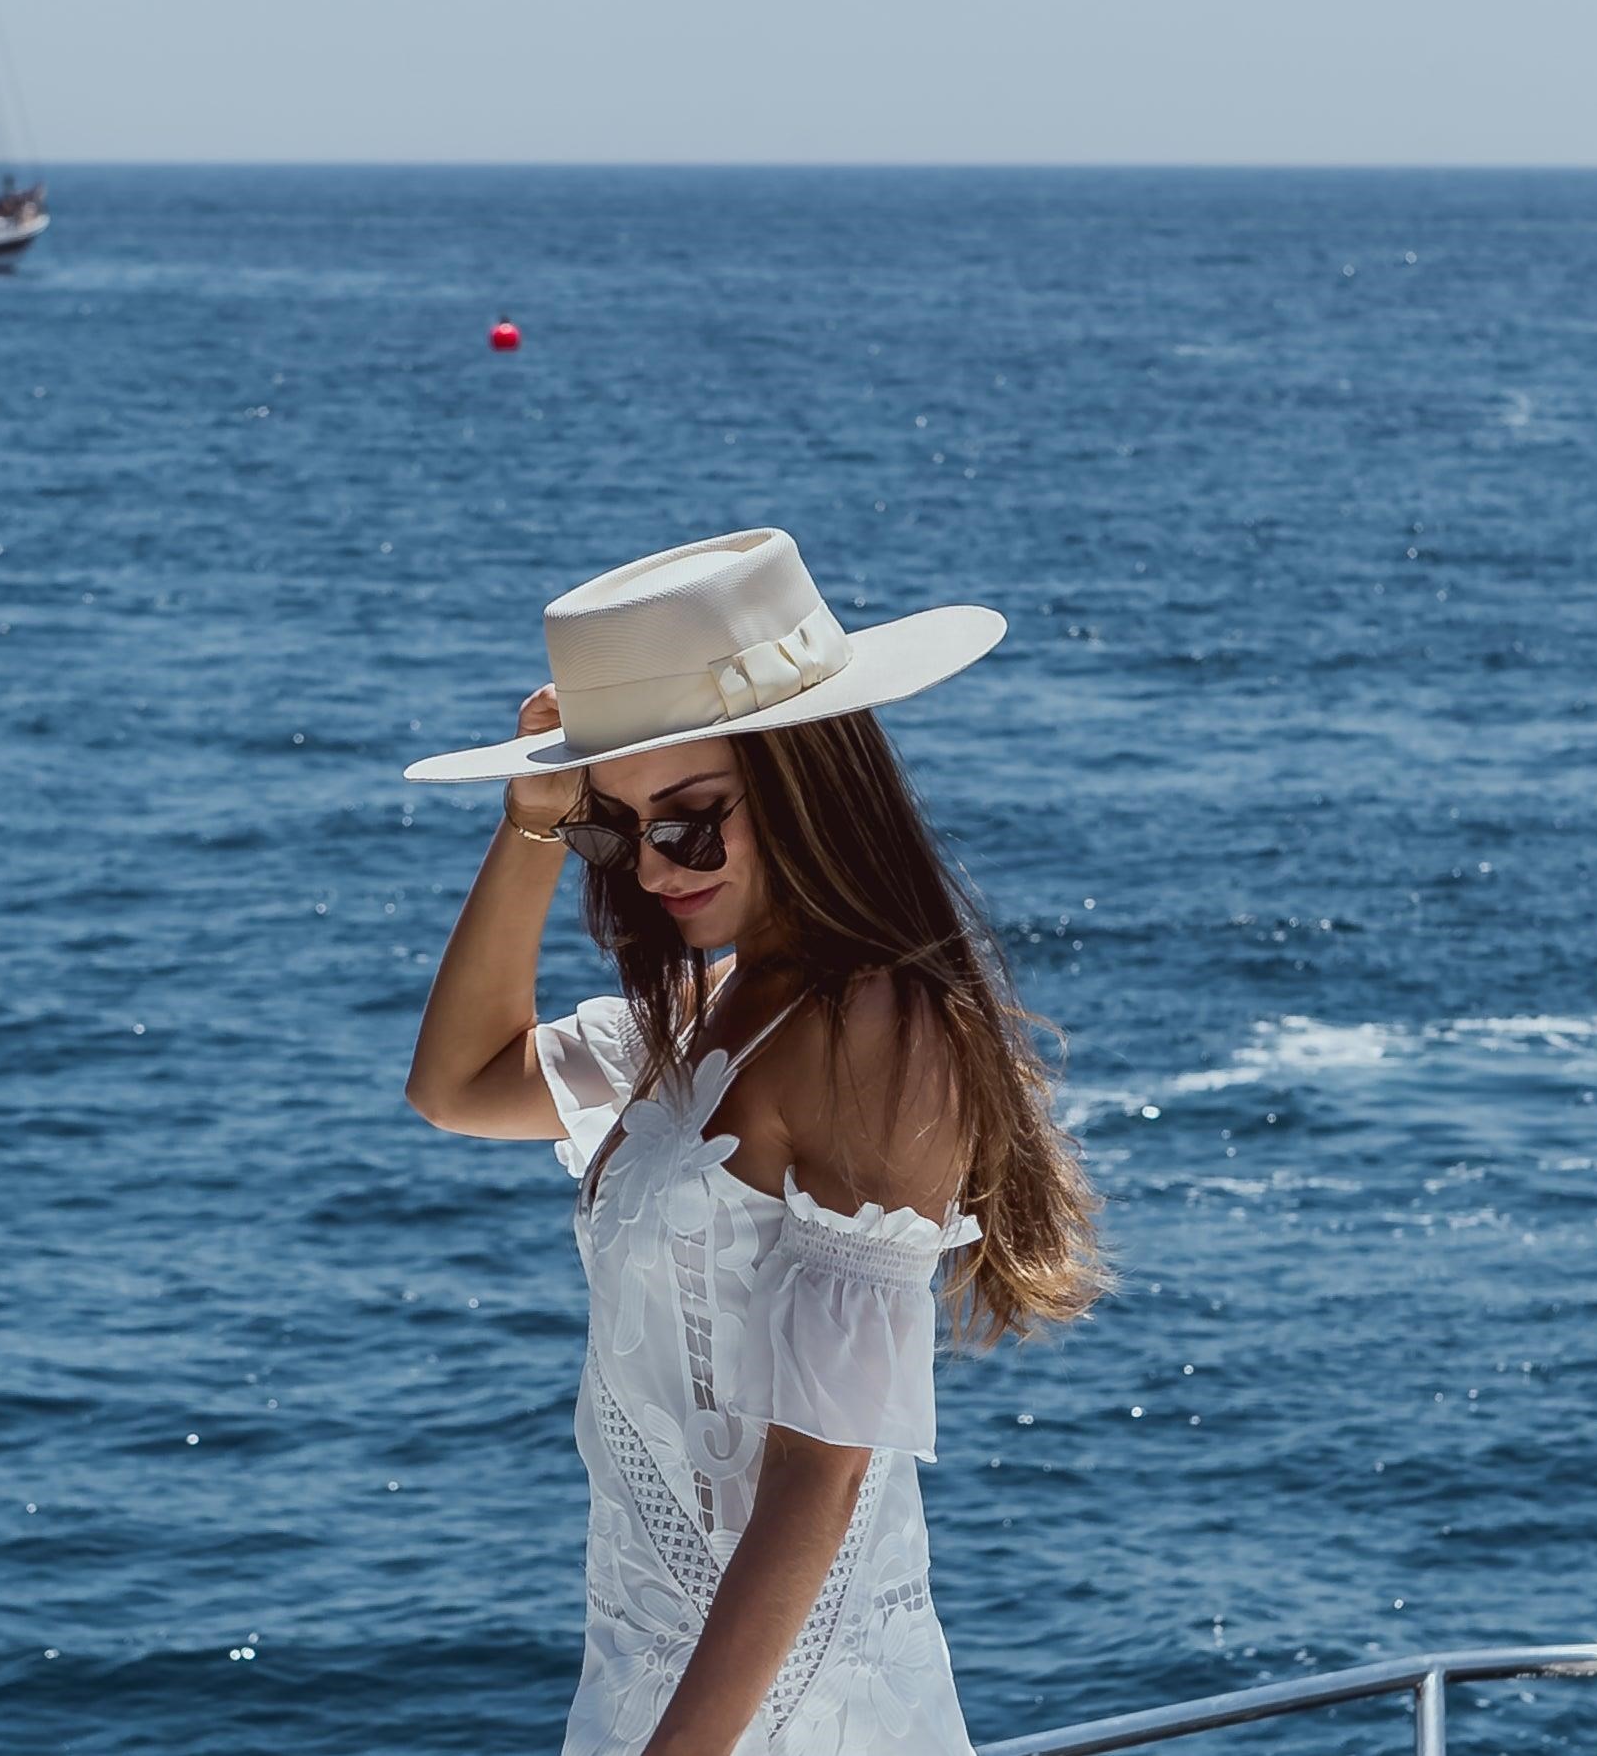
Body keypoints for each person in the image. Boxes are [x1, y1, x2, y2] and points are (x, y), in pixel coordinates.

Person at [404, 528, 1104, 1755]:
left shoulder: (872, 1028)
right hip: (648, 1681)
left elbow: (817, 1474)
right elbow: (458, 1084)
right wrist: (529, 822)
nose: (657, 868)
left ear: (805, 782)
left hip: (781, 1715)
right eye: (616, 829)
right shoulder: (693, 1024)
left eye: (691, 820)